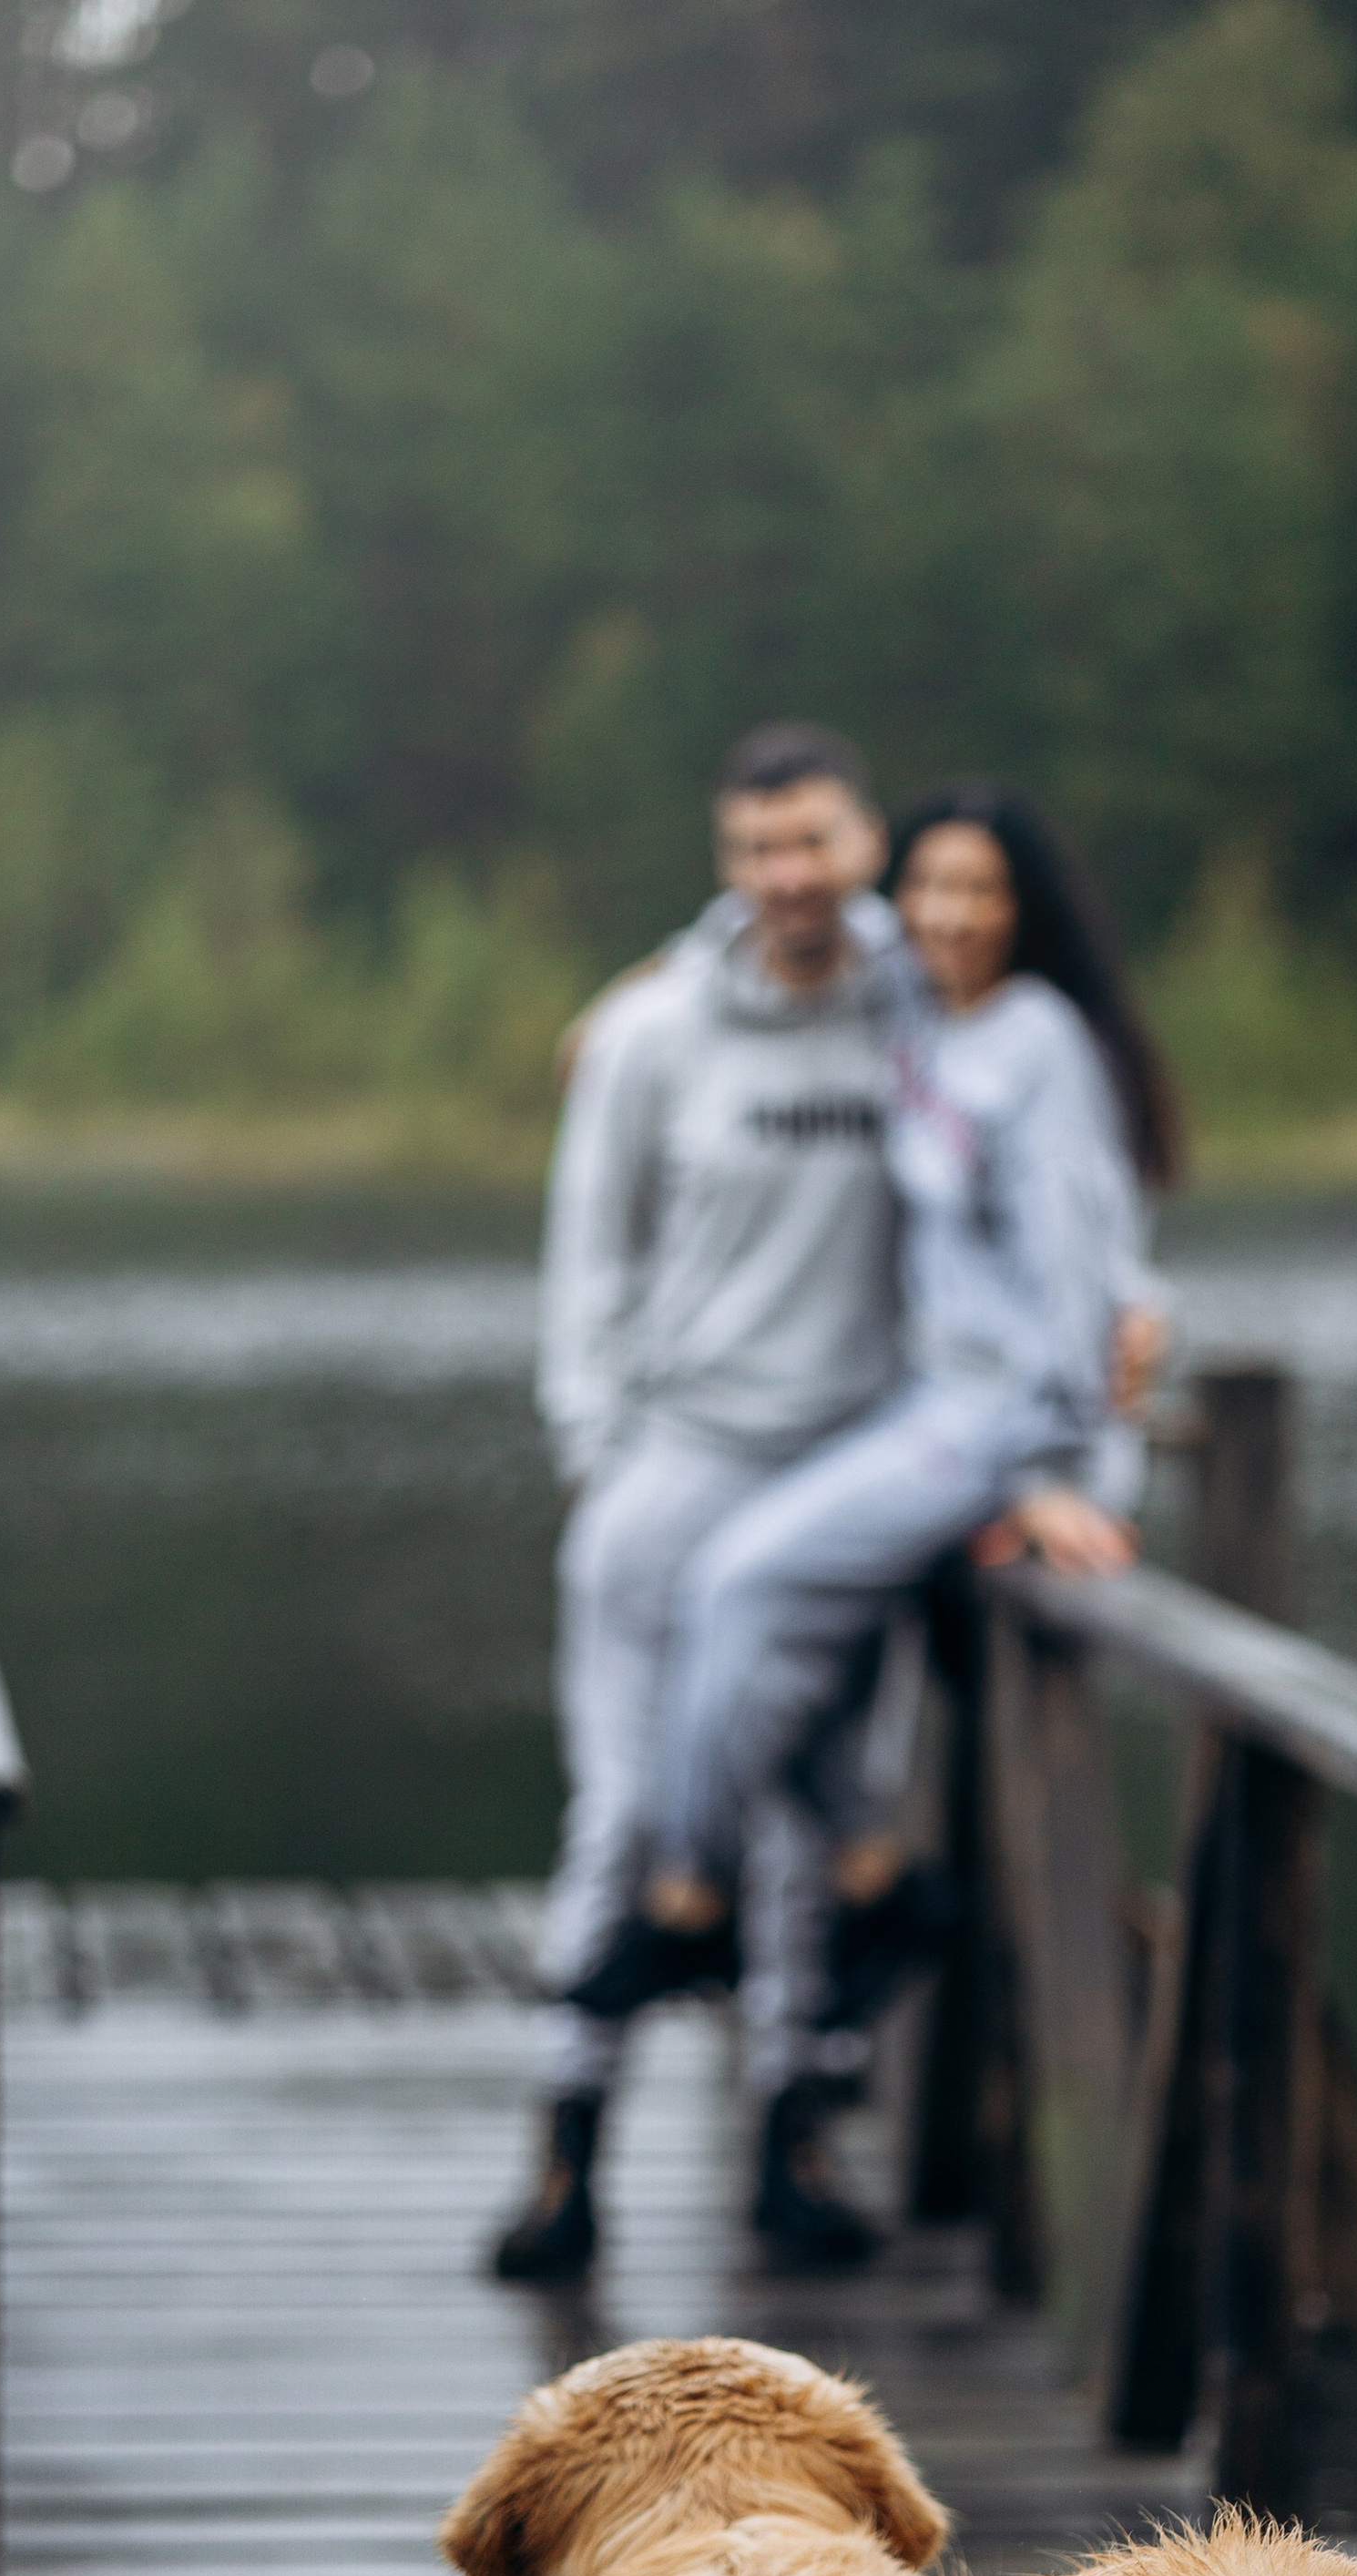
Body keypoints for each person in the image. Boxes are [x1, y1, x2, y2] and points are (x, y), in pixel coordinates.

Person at [571, 784, 1176, 2094]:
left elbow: (1086, 1270)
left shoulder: (1036, 1043)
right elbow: (768, 921)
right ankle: (863, 1880)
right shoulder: (917, 1001)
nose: (950, 915)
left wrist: (1062, 1472)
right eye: (932, 888)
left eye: (983, 892)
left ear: (1030, 913)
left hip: (995, 1426)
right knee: (764, 1622)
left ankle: (690, 1902)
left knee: (742, 1583)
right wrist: (635, 1003)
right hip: (925, 1405)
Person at [488, 721, 913, 2288]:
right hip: (682, 1467)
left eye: (813, 842)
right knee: (628, 1815)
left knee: (808, 1824)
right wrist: (596, 1444)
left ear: (863, 842)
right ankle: (562, 2156)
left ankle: (791, 2151)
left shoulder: (916, 1012)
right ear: (724, 866)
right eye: (756, 851)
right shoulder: (659, 1034)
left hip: (852, 1486)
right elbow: (585, 1254)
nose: (788, 876)